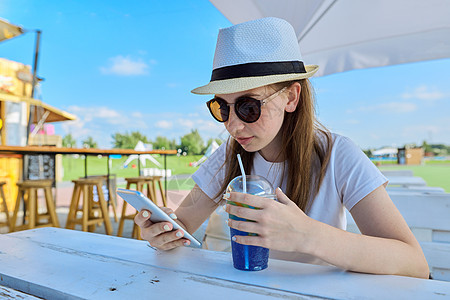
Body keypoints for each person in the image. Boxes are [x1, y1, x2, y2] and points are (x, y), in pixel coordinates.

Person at [135, 17, 429, 278]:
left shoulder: (338, 155)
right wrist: (162, 232)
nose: (233, 126)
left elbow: (414, 263)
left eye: (248, 107)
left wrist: (308, 236)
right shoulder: (228, 156)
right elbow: (183, 221)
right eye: (221, 108)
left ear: (291, 97)